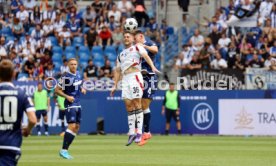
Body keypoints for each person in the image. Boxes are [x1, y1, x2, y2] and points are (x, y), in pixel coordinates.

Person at [110, 32, 159, 146]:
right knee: (131, 105)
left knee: (142, 104)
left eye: (130, 37)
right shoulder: (123, 53)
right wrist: (115, 85)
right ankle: (134, 132)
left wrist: (152, 66)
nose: (127, 38)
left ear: (136, 38)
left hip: (143, 77)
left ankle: (143, 132)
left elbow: (151, 53)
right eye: (125, 37)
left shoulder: (142, 45)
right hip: (131, 78)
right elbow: (117, 70)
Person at [0, 59, 37, 166]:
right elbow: (33, 120)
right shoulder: (21, 94)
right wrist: (27, 130)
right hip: (11, 145)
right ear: (13, 74)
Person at [55, 58, 86, 159]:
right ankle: (63, 150)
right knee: (72, 126)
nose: (73, 66)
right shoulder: (65, 77)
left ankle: (65, 150)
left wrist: (82, 88)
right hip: (70, 103)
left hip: (78, 103)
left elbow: (78, 85)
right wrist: (67, 97)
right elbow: (57, 90)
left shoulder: (78, 74)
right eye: (71, 64)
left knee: (76, 128)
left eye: (75, 64)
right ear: (68, 65)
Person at [134, 29, 158, 144]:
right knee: (137, 104)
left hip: (150, 77)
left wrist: (144, 46)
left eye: (136, 38)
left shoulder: (149, 43)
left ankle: (146, 132)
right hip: (140, 78)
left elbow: (156, 50)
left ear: (141, 36)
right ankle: (142, 131)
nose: (135, 41)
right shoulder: (136, 48)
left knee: (144, 104)